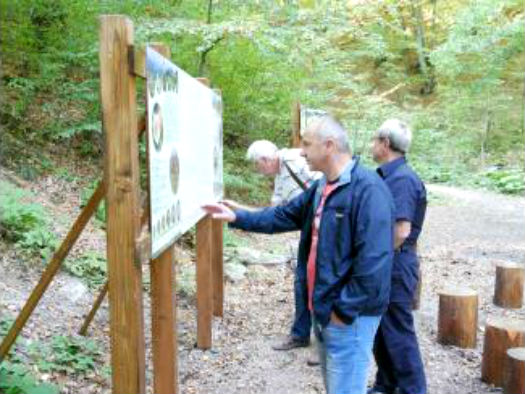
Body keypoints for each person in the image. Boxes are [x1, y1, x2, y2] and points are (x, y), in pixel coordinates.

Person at [203, 115, 395, 394]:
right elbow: (282, 215)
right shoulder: (322, 187)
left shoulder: (369, 191)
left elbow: (374, 265)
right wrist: (237, 216)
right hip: (326, 309)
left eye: (307, 143)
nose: (302, 151)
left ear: (329, 146)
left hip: (349, 317)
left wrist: (342, 312)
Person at [227, 139, 321, 353]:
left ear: (265, 159)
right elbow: (274, 213)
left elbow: (325, 184)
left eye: (256, 164)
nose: (257, 170)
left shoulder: (296, 160)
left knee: (320, 282)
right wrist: (237, 210)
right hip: (309, 228)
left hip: (324, 228)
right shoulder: (280, 176)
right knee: (302, 280)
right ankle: (300, 334)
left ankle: (324, 344)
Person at [368, 119, 427, 394]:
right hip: (389, 261)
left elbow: (401, 230)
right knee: (382, 328)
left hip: (396, 261)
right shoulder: (387, 175)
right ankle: (386, 384)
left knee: (398, 331)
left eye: (374, 140)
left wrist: (373, 257)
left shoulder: (402, 179)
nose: (371, 145)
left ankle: (414, 390)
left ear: (385, 144)